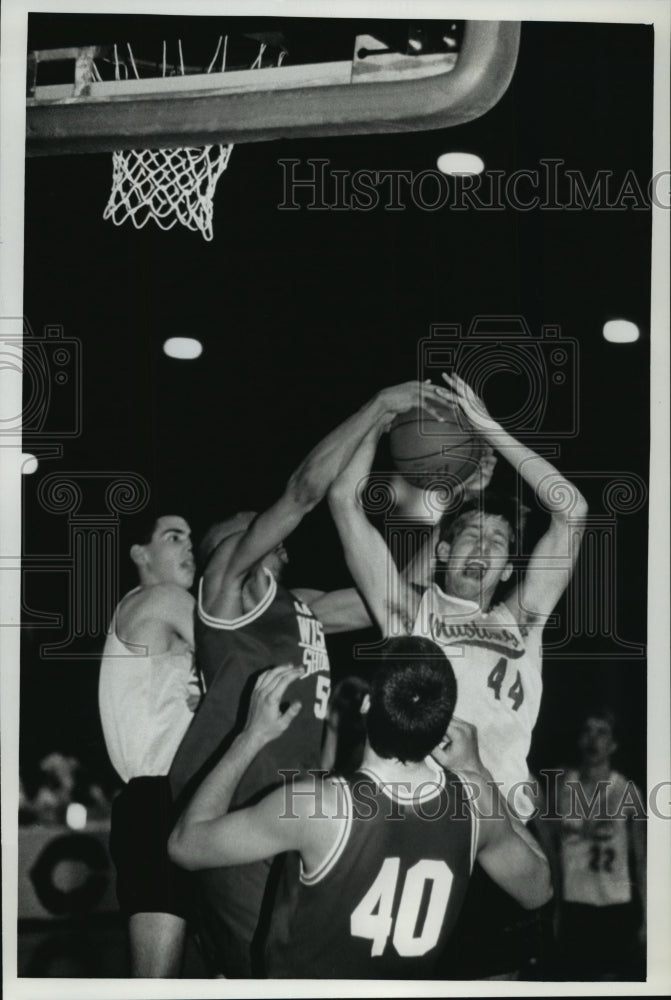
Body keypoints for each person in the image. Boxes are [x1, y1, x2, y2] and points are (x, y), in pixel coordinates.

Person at [168, 380, 450, 977]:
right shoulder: (224, 587)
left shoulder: (299, 606)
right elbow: (302, 493)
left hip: (293, 810)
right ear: (227, 543)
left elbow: (397, 596)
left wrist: (438, 509)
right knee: (267, 971)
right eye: (255, 528)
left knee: (300, 961)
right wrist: (378, 407)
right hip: (236, 803)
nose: (282, 544)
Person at [327, 372, 587, 978]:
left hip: (500, 819)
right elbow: (344, 501)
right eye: (471, 533)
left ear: (506, 566)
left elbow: (572, 511)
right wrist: (382, 414)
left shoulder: (522, 620)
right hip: (417, 826)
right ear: (442, 551)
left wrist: (490, 427)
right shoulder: (407, 614)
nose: (485, 546)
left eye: (499, 541)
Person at [168, 639, 553, 979]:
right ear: (441, 725)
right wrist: (476, 769)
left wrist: (250, 735)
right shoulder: (474, 802)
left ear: (368, 704)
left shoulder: (318, 805)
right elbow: (539, 890)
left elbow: (184, 847)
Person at [98, 513, 199, 977]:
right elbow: (240, 644)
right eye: (173, 538)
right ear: (141, 555)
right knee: (155, 982)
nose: (189, 547)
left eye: (191, 539)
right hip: (158, 799)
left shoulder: (160, 618)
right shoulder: (160, 598)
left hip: (167, 799)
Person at [553, 709, 646, 980]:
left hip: (615, 906)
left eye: (602, 732)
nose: (593, 739)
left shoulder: (627, 791)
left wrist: (649, 920)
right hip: (574, 905)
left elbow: (642, 859)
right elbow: (553, 852)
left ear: (614, 744)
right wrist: (555, 910)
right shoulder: (560, 785)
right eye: (587, 731)